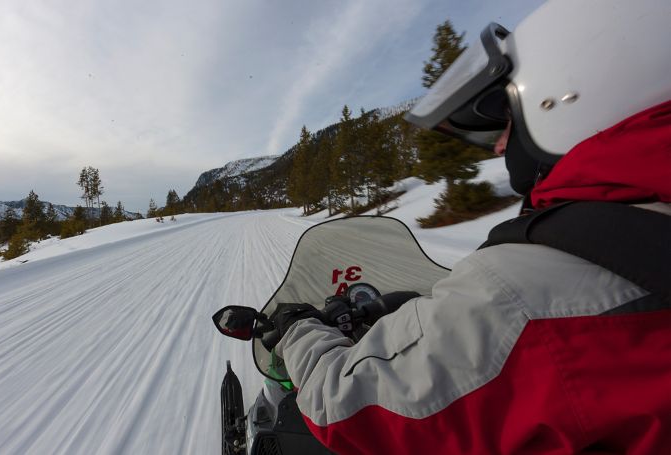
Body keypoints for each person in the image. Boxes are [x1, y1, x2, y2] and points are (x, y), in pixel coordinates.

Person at [271, 0, 670, 453]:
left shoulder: (529, 291)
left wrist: (299, 329)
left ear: (568, 99)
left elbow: (349, 405)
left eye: (508, 122)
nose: (500, 146)